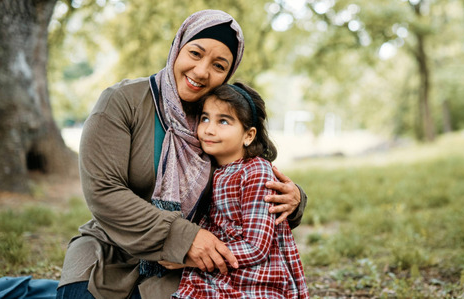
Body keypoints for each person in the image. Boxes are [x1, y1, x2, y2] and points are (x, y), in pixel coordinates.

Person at [56, 9, 307, 299]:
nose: (201, 71)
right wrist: (186, 238)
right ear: (178, 48)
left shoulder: (215, 122)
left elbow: (249, 183)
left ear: (228, 74)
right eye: (196, 53)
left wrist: (295, 199)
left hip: (182, 267)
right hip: (111, 250)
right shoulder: (122, 102)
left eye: (218, 65)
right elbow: (104, 192)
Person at [168, 83, 309, 298]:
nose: (209, 129)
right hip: (221, 275)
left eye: (223, 121)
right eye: (205, 118)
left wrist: (188, 258)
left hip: (255, 279)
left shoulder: (255, 171)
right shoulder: (208, 169)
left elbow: (256, 247)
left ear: (249, 135)